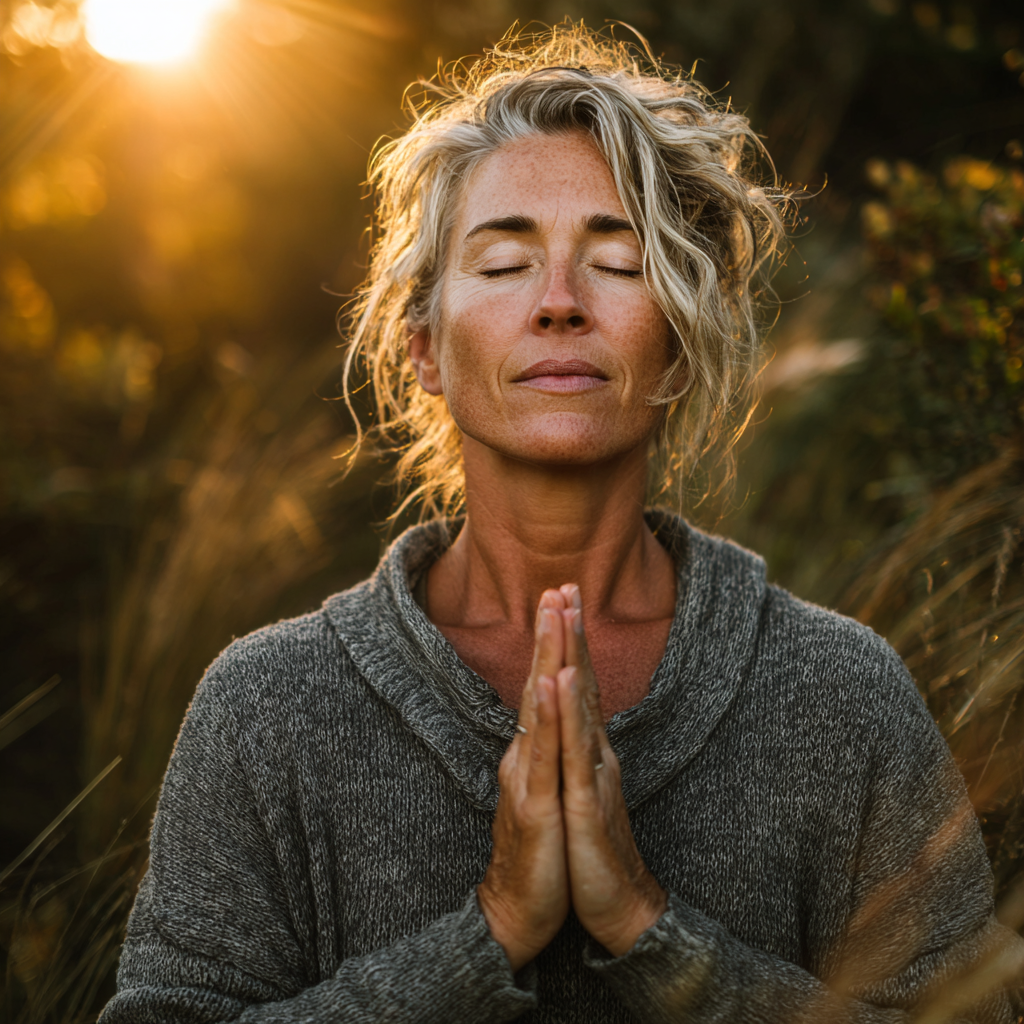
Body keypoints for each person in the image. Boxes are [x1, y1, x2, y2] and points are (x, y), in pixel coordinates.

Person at [99, 25, 1023, 1024]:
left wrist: (651, 931)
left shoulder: (843, 695)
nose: (558, 304)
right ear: (422, 349)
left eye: (618, 263)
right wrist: (486, 934)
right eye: (502, 264)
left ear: (675, 348)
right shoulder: (265, 708)